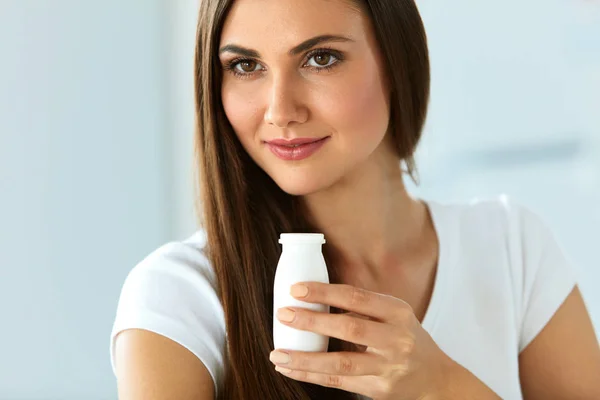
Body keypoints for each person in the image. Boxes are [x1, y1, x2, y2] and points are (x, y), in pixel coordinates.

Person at [110, 0, 600, 399]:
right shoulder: (179, 296)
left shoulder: (511, 248)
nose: (280, 111)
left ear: (395, 59)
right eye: (245, 65)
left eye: (319, 58)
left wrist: (443, 387)